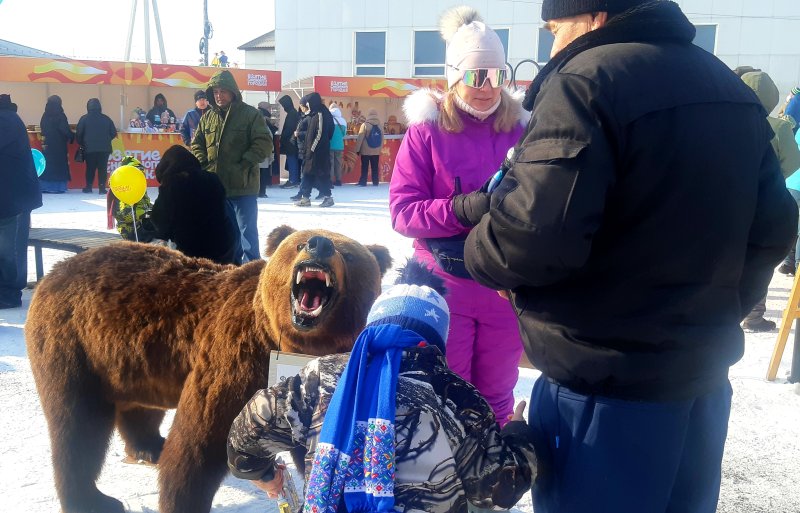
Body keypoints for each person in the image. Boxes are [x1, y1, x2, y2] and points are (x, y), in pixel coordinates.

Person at [461, 1, 797, 512]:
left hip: (603, 395)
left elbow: (530, 240)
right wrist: (712, 312)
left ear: (595, 17)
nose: (552, 47)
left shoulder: (585, 82)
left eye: (555, 30)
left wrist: (474, 248)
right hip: (699, 387)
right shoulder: (728, 88)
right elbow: (775, 227)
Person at [226, 260, 538, 513]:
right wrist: (518, 434)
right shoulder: (456, 394)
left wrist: (266, 475)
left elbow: (243, 440)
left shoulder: (316, 378)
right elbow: (498, 493)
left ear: (372, 325)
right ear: (437, 338)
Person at [389, 5, 526, 423]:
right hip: (446, 287)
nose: (487, 87)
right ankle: (451, 485)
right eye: (476, 76)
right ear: (453, 75)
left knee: (498, 396)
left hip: (505, 289)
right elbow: (403, 212)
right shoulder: (426, 132)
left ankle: (496, 483)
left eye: (497, 76)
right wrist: (462, 209)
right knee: (449, 396)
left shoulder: (524, 130)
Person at [739, 70, 800, 330]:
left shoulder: (721, 120)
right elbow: (792, 164)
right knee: (759, 256)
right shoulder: (780, 126)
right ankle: (753, 314)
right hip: (765, 202)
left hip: (728, 201)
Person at [191, 69, 272, 263]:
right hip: (216, 187)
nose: (219, 96)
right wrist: (203, 162)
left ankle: (253, 270)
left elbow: (264, 142)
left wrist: (244, 163)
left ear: (233, 92)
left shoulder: (250, 115)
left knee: (247, 234)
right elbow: (197, 143)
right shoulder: (207, 117)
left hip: (243, 185)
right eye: (216, 92)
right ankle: (232, 270)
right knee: (225, 233)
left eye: (223, 91)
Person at [151, 145, 239, 264]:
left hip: (194, 254)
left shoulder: (173, 184)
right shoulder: (213, 178)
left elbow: (161, 224)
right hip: (226, 248)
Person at [0, 94, 42, 309]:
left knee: (10, 250)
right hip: (10, 196)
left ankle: (9, 294)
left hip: (13, 198)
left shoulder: (6, 119)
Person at [294, 92, 334, 208]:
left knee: (321, 174)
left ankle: (327, 197)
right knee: (307, 173)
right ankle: (305, 197)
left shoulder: (321, 114)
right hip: (312, 150)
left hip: (318, 151)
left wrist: (312, 148)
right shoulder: (314, 113)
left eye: (308, 103)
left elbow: (320, 133)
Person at [76, 98, 117, 194]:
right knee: (102, 168)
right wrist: (106, 140)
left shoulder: (84, 119)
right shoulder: (106, 118)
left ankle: (89, 187)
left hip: (89, 148)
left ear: (88, 107)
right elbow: (113, 132)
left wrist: (82, 142)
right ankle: (102, 188)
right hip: (104, 149)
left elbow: (79, 134)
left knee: (90, 168)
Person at [39, 95, 74, 193]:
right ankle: (58, 188)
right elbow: (64, 129)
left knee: (47, 165)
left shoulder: (45, 115)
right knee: (59, 165)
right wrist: (72, 136)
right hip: (59, 144)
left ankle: (45, 187)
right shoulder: (60, 115)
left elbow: (42, 127)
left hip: (47, 144)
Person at [355, 108, 383, 186]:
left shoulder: (365, 125)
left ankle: (363, 182)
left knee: (364, 167)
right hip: (376, 151)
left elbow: (360, 138)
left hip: (365, 150)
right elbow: (382, 139)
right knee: (375, 167)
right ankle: (375, 182)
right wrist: (379, 149)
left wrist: (357, 149)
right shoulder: (380, 126)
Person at [277, 95, 301, 188]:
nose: (283, 108)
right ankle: (293, 179)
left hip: (290, 142)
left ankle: (293, 180)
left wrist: (282, 138)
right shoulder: (293, 112)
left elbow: (289, 129)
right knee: (292, 160)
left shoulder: (292, 114)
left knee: (292, 160)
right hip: (292, 141)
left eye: (283, 106)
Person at [257, 102, 279, 198]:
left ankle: (260, 191)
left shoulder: (258, 121)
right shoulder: (264, 121)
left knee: (259, 173)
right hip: (263, 152)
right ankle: (261, 191)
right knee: (263, 172)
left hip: (260, 152)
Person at [329, 103, 347, 187]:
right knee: (338, 163)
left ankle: (330, 180)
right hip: (340, 145)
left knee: (331, 163)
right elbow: (344, 134)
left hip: (330, 145)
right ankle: (339, 180)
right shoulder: (343, 120)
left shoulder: (328, 119)